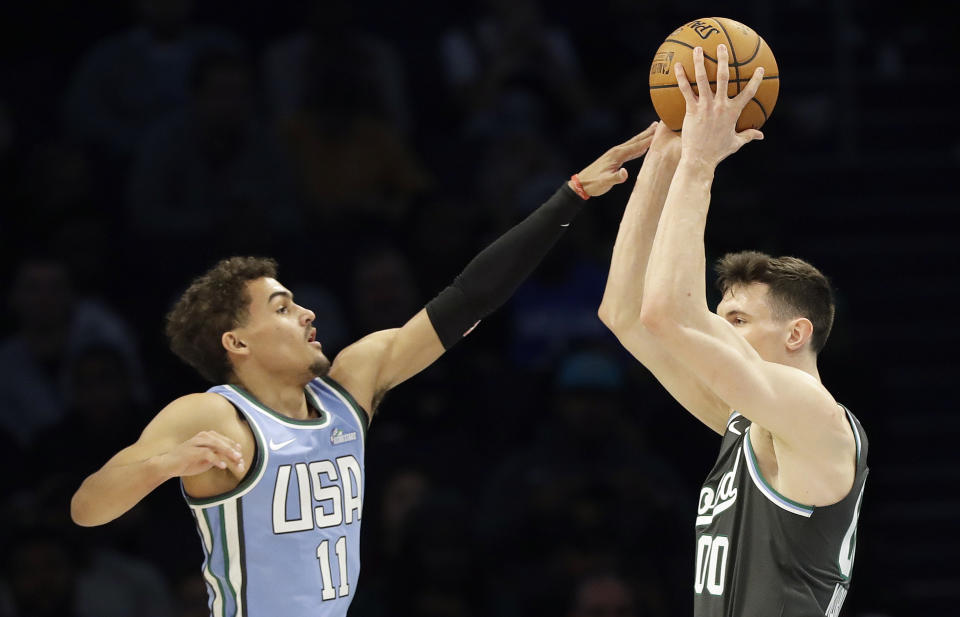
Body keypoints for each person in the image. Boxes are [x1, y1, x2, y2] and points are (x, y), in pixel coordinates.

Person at [69, 125, 659, 617]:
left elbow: (468, 297)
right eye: (281, 307)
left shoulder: (353, 384)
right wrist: (168, 464)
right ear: (236, 342)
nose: (306, 313)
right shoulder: (214, 414)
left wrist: (572, 194)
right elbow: (87, 508)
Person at [598, 46, 868, 616]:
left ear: (796, 335)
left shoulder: (814, 415)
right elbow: (624, 313)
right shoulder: (748, 423)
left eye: (737, 321)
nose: (717, 333)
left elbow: (667, 314)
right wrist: (665, 158)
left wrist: (700, 161)